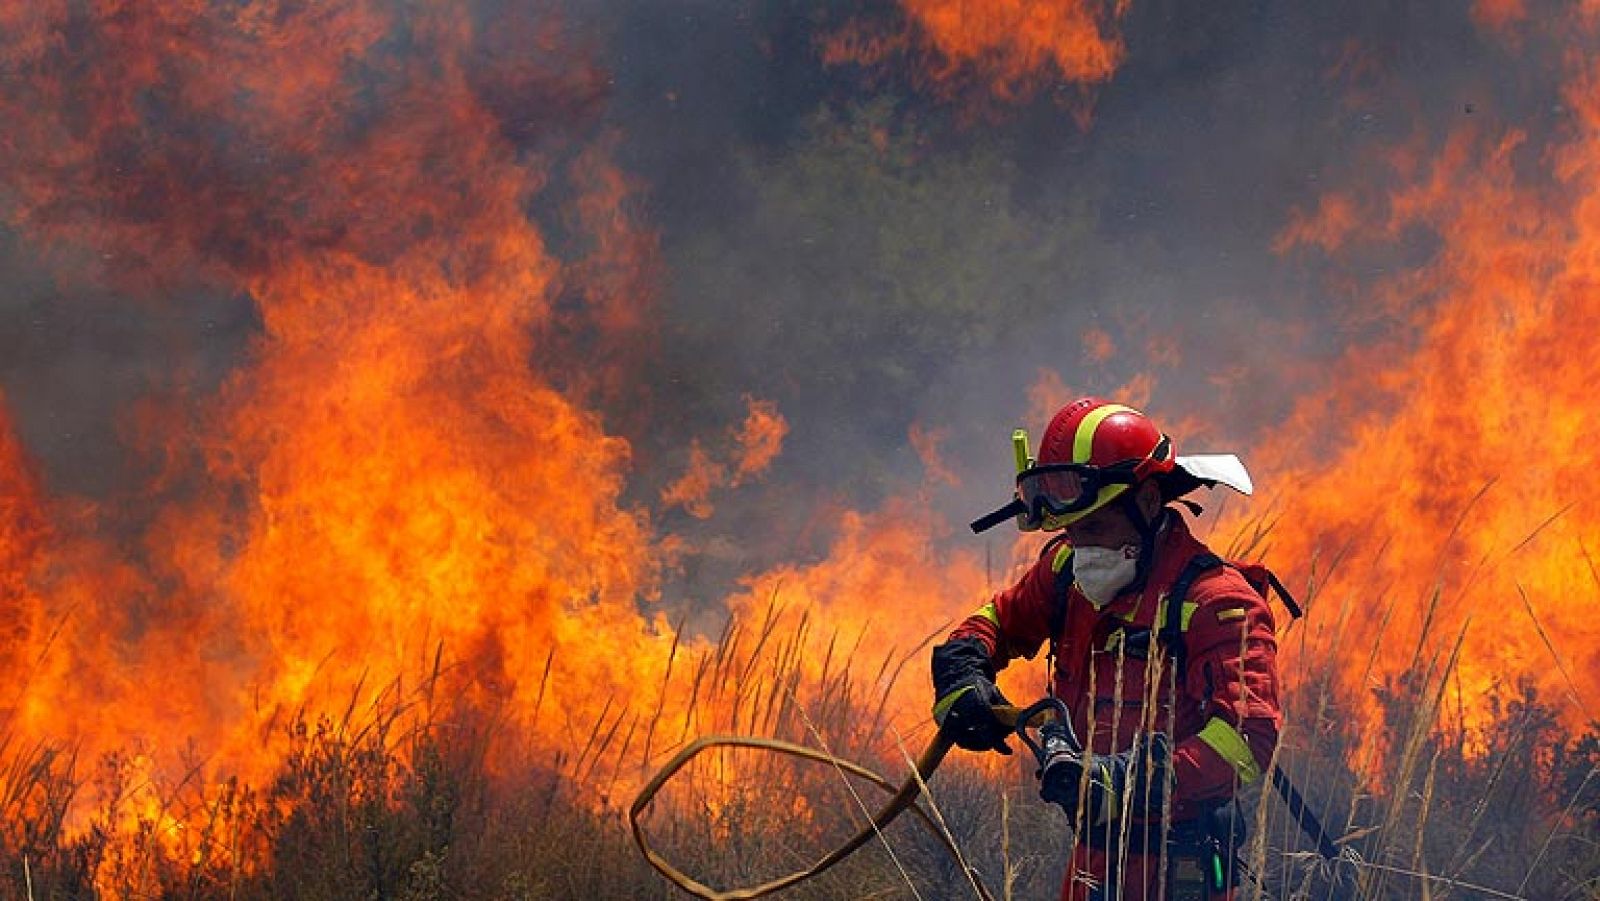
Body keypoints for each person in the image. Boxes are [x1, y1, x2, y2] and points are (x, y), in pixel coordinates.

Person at [933, 397, 1282, 901]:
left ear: (1144, 504)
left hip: (1177, 871)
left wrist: (1120, 781)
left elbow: (1247, 739)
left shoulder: (1217, 603)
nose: (1080, 546)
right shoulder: (1064, 573)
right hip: (1091, 859)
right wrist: (963, 674)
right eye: (1070, 531)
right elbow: (997, 621)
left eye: (1093, 527)